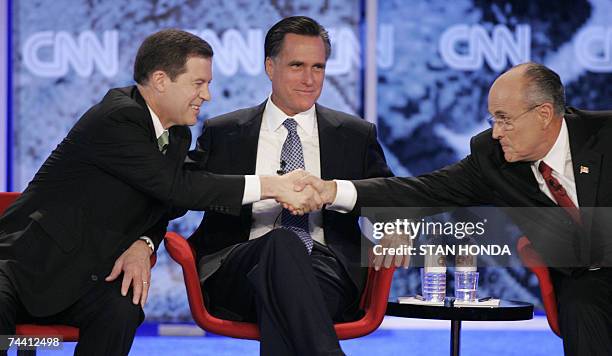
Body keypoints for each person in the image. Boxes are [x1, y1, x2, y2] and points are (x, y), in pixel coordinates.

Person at [0, 29, 319, 356]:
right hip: (22, 267)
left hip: (89, 275)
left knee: (122, 309)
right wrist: (271, 186)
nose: (207, 95)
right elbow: (177, 189)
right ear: (161, 80)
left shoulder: (176, 133)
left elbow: (163, 199)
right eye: (199, 83)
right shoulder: (117, 118)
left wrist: (144, 241)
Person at [298, 62, 612, 356]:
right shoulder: (494, 157)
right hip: (588, 282)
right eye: (493, 120)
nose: (497, 131)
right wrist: (332, 190)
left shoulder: (604, 135)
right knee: (582, 306)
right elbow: (422, 192)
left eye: (505, 119)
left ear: (544, 114)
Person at [186, 16, 393, 356]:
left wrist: (395, 226)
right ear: (270, 66)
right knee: (281, 243)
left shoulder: (354, 135)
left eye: (318, 67)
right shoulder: (225, 132)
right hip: (238, 268)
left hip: (326, 269)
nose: (310, 79)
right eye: (297, 65)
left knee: (287, 297)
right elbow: (185, 187)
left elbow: (389, 197)